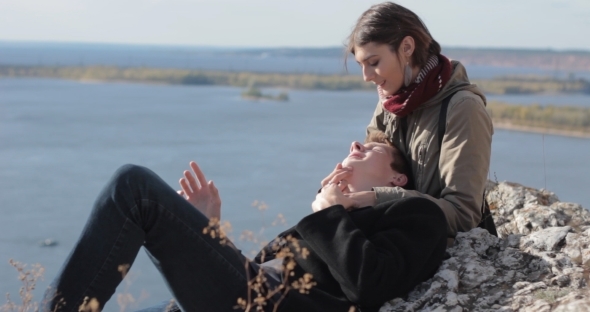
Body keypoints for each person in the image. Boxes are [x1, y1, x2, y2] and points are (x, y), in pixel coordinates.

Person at [42, 132, 447, 312]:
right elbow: (259, 274)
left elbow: (369, 284)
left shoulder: (416, 212)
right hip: (253, 295)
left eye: (371, 147)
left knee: (134, 188)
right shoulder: (336, 217)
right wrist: (211, 236)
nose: (354, 146)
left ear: (398, 179)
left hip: (274, 305)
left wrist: (328, 212)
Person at [339, 2, 494, 246]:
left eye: (374, 62)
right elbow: (374, 176)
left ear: (407, 47)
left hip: (437, 252)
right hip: (389, 239)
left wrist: (370, 199)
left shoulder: (463, 108)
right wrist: (336, 191)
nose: (366, 76)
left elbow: (464, 216)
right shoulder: (391, 102)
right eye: (361, 65)